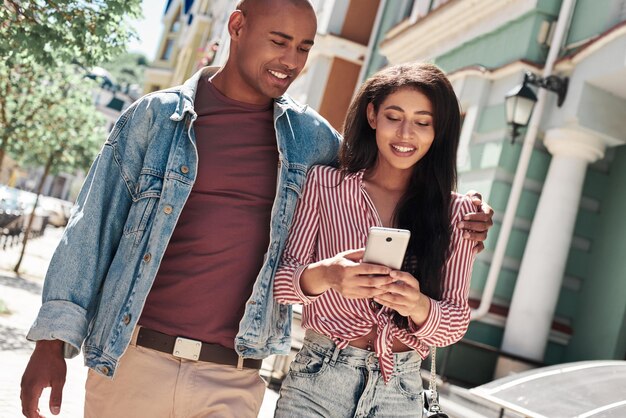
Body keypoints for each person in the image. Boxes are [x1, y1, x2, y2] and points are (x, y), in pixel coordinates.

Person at [20, 1, 493, 417]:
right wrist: (50, 342)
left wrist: (467, 215)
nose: (291, 61)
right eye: (280, 41)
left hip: (235, 376)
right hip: (135, 358)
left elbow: (387, 170)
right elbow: (92, 228)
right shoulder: (155, 118)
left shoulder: (313, 141)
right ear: (238, 26)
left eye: (304, 48)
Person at [273, 62, 477, 417]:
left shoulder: (459, 214)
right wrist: (329, 276)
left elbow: (456, 321)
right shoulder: (325, 185)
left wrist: (416, 304)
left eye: (423, 122)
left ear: (438, 129)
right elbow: (280, 284)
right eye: (393, 117)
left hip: (400, 392)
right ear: (372, 115)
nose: (405, 134)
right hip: (318, 379)